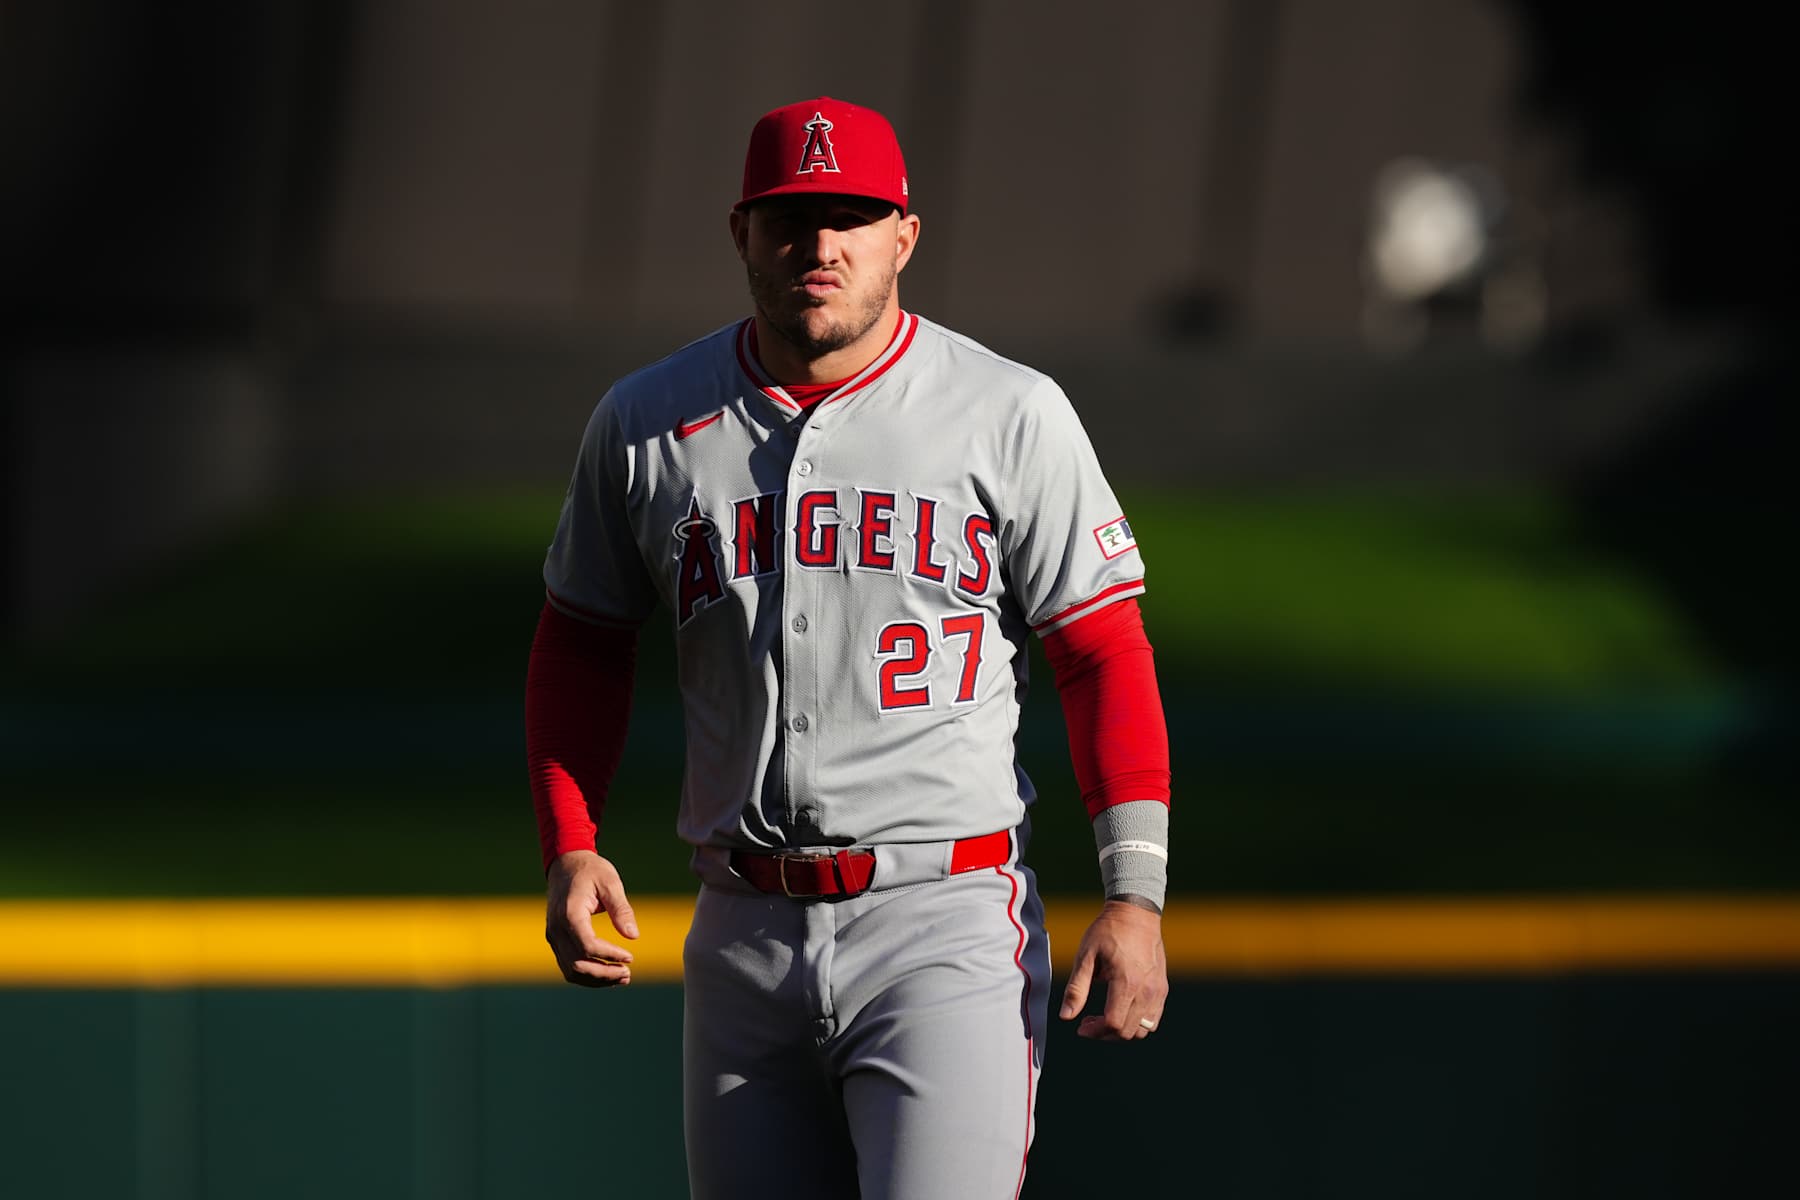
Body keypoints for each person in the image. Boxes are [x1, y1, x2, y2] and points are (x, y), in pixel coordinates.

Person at [525, 95, 1171, 1200]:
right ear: (742, 233)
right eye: (791, 219)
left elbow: (1101, 651)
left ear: (904, 235)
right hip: (739, 925)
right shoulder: (646, 423)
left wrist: (1135, 892)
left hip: (944, 918)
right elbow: (581, 642)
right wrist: (570, 839)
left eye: (853, 217)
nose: (820, 247)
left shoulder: (1008, 411)